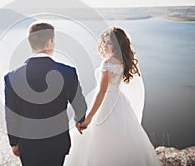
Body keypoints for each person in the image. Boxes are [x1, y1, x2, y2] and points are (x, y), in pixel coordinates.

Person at [65, 27, 162, 165]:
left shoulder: (108, 63)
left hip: (106, 105)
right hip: (119, 103)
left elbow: (102, 92)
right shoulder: (121, 62)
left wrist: (89, 118)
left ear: (117, 45)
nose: (104, 46)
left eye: (109, 43)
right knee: (119, 141)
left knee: (100, 141)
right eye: (103, 42)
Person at [4, 22, 87, 166]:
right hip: (57, 143)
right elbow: (79, 105)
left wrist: (14, 142)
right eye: (53, 40)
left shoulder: (12, 76)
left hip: (27, 145)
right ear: (49, 42)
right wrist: (80, 120)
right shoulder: (68, 72)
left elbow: (11, 114)